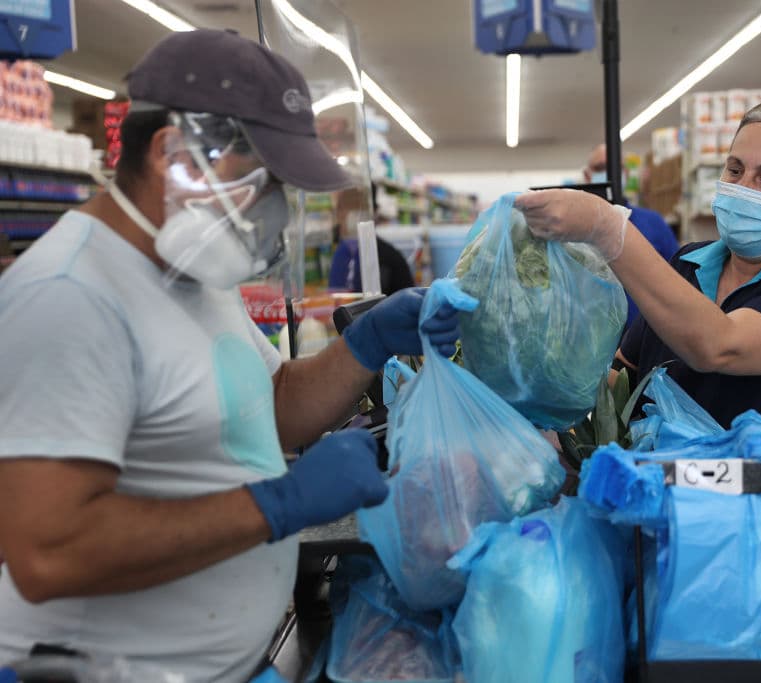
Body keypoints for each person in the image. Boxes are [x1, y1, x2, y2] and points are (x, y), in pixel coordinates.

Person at [0, 30, 460, 681]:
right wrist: (277, 504)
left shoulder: (196, 273)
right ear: (172, 153)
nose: (274, 205)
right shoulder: (70, 298)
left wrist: (366, 344)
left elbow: (264, 407)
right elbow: (48, 551)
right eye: (261, 179)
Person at [516, 100, 761, 446]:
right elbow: (622, 375)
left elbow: (719, 346)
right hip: (663, 486)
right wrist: (537, 387)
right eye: (735, 170)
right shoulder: (687, 264)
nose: (744, 189)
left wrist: (607, 228)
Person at [583, 144, 680, 327]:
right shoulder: (576, 227)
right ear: (587, 176)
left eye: (614, 167)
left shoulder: (653, 223)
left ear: (626, 174)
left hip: (646, 337)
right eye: (599, 168)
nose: (607, 172)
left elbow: (679, 280)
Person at [328, 182, 416, 295]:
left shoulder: (391, 260)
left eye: (355, 208)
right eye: (341, 208)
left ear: (373, 212)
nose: (343, 215)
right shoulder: (339, 253)